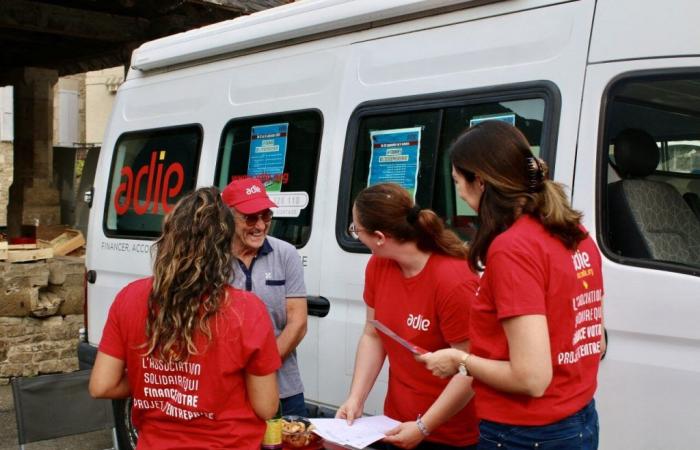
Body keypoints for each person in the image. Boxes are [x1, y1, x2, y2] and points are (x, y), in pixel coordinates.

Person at [420, 121, 605, 449]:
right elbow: (597, 341)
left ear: (479, 181)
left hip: (526, 432)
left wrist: (459, 361)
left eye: (458, 182)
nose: (460, 193)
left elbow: (531, 378)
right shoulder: (577, 235)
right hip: (579, 419)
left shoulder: (513, 248)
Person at [89, 187, 281, 449]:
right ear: (225, 249)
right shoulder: (246, 309)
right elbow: (267, 406)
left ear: (168, 239)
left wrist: (159, 386)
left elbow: (102, 385)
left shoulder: (130, 298)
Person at [336, 183, 480, 450]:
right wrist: (356, 398)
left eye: (356, 230)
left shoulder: (454, 281)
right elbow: (373, 334)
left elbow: (471, 369)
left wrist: (424, 426)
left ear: (379, 237)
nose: (356, 236)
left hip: (447, 434)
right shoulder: (380, 265)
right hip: (396, 423)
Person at [222, 177, 309, 417]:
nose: (260, 225)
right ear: (228, 217)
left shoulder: (286, 254)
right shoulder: (213, 259)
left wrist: (260, 368)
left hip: (284, 388)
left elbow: (298, 323)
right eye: (250, 217)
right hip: (228, 388)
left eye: (266, 215)